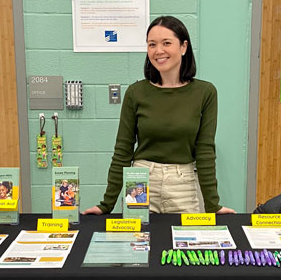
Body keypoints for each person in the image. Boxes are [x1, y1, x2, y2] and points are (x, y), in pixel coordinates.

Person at [82, 15, 235, 215]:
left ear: (183, 47)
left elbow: (205, 151)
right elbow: (122, 151)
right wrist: (106, 204)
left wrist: (213, 205)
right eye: (152, 44)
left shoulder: (205, 93)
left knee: (183, 244)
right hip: (140, 180)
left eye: (166, 43)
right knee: (135, 242)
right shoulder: (136, 93)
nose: (158, 51)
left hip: (184, 185)